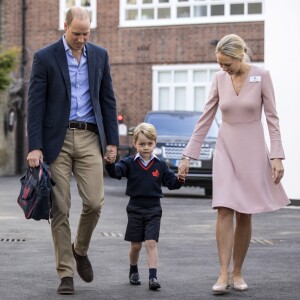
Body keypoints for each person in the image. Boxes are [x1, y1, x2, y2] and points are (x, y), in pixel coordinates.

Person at [178, 34, 290, 295]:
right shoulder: (219, 79)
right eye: (220, 63)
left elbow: (272, 119)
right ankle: (222, 273)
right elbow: (205, 119)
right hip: (226, 149)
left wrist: (276, 155)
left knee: (244, 212)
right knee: (223, 208)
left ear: (240, 56)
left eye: (227, 63)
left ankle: (237, 272)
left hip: (252, 149)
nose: (223, 69)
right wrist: (187, 156)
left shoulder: (262, 76)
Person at [26, 7, 119, 294]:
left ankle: (80, 249)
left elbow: (108, 99)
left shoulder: (100, 55)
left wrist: (112, 142)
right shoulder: (45, 57)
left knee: (94, 202)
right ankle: (66, 273)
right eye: (76, 33)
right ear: (65, 27)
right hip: (58, 140)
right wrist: (35, 147)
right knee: (60, 208)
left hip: (91, 137)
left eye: (85, 33)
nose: (81, 38)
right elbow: (35, 104)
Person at [104, 122, 186, 290]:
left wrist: (180, 179)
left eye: (149, 143)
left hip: (154, 209)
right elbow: (116, 173)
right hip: (135, 208)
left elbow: (171, 183)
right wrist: (110, 164)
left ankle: (153, 277)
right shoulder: (129, 163)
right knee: (136, 245)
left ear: (155, 143)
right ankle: (133, 269)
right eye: (142, 144)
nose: (146, 147)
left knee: (151, 242)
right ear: (134, 144)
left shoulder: (160, 165)